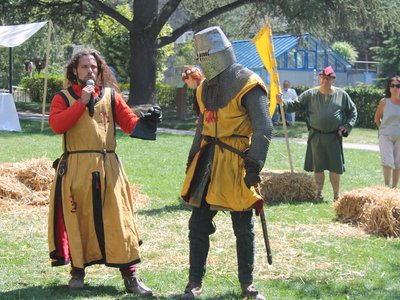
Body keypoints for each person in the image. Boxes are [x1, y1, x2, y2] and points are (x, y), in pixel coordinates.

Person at [47, 49, 161, 296]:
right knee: (79, 219)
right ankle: (77, 272)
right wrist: (81, 104)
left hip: (108, 167)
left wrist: (148, 121)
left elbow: (130, 124)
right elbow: (57, 125)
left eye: (94, 67)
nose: (91, 71)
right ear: (74, 71)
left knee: (118, 220)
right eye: (85, 67)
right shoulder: (63, 98)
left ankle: (130, 276)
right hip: (76, 168)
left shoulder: (111, 96)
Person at [180, 26, 272, 300]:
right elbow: (202, 127)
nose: (203, 60)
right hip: (207, 161)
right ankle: (194, 283)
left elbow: (264, 128)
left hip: (236, 162)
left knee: (243, 227)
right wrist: (192, 159)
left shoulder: (248, 83)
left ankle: (248, 284)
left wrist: (254, 166)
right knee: (197, 225)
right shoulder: (204, 88)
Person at [277, 66, 357, 201]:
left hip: (334, 137)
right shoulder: (310, 94)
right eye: (323, 78)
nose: (325, 80)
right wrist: (282, 103)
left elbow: (352, 112)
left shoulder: (342, 95)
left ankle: (336, 195)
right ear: (320, 78)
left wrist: (347, 126)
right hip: (316, 136)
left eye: (328, 78)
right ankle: (318, 193)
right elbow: (295, 104)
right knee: (318, 167)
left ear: (333, 79)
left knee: (335, 168)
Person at [374, 75, 400, 188]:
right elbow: (377, 118)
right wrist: (383, 130)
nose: (395, 88)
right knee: (388, 162)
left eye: (398, 85)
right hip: (385, 136)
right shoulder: (384, 102)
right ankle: (386, 188)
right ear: (389, 88)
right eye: (392, 85)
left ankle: (394, 190)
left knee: (398, 164)